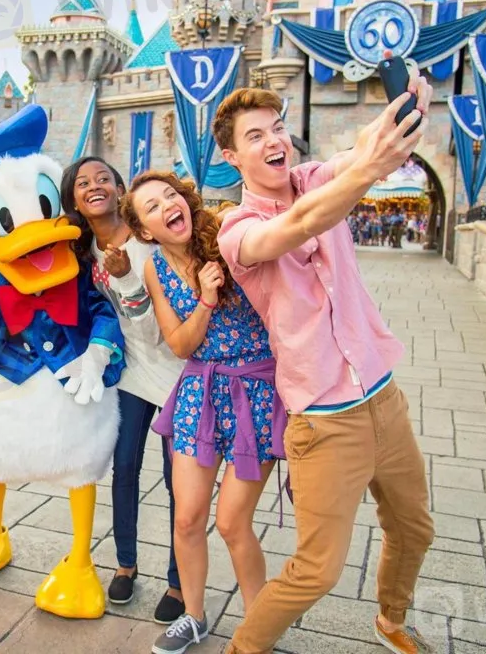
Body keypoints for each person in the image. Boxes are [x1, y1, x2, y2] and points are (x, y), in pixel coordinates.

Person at [212, 79, 436, 654]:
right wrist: (370, 168)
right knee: (318, 569)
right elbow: (299, 225)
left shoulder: (314, 178)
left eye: (278, 128)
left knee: (415, 528)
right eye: (255, 136)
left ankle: (391, 620)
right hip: (325, 420)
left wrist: (400, 116)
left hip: (383, 396)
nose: (274, 141)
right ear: (231, 155)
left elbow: (360, 152)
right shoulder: (237, 230)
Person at [119, 171, 286, 654]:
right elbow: (179, 344)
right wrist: (206, 301)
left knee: (232, 522)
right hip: (199, 391)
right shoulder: (154, 268)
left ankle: (258, 630)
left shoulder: (228, 235)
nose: (168, 205)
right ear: (145, 230)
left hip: (257, 390)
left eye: (170, 195)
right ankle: (194, 616)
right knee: (188, 518)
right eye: (152, 206)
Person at [60, 156, 185, 623]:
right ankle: (125, 564)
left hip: (175, 368)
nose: (94, 186)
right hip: (129, 370)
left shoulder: (148, 240)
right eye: (83, 183)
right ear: (74, 199)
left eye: (103, 179)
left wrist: (127, 276)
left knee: (179, 481)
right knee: (125, 466)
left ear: (119, 189)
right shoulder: (80, 251)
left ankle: (178, 581)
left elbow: (157, 329)